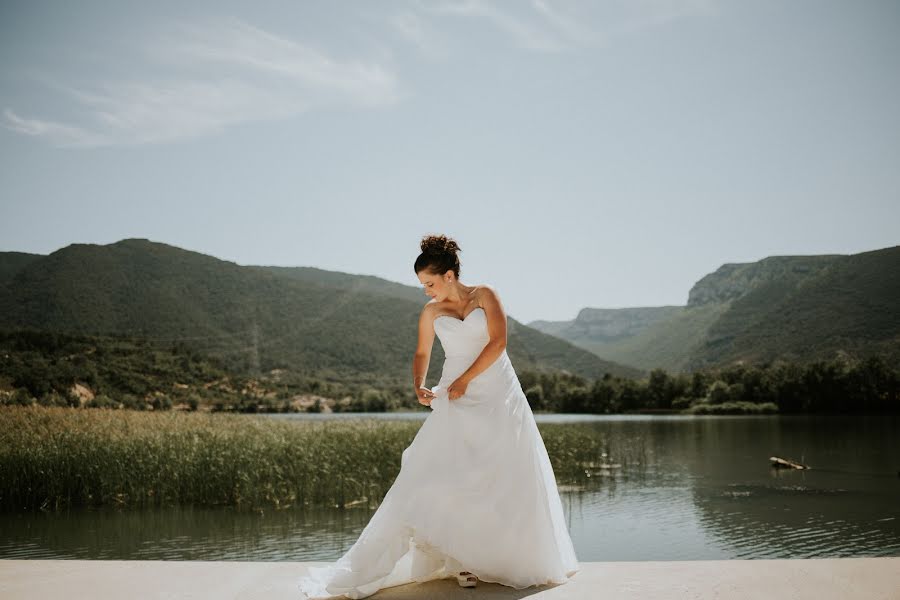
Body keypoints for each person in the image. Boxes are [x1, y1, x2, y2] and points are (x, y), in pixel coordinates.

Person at [297, 234, 579, 599]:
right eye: (422, 286)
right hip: (453, 396)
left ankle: (507, 557)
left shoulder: (486, 295)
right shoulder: (431, 312)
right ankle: (460, 557)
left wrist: (465, 379)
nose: (426, 291)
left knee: (506, 469)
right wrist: (419, 384)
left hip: (497, 391)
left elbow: (498, 343)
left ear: (448, 275)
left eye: (429, 283)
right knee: (442, 470)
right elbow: (421, 352)